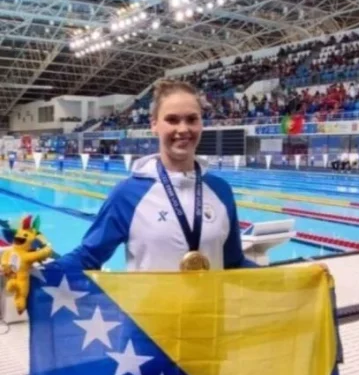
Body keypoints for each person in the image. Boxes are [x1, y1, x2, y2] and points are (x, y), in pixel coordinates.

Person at [58, 79, 257, 272]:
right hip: (150, 307)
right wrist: (38, 272)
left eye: (191, 119)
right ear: (154, 125)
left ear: (201, 123)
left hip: (210, 307)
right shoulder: (127, 194)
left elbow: (234, 263)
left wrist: (284, 281)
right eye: (172, 120)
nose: (183, 129)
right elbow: (88, 257)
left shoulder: (220, 190)